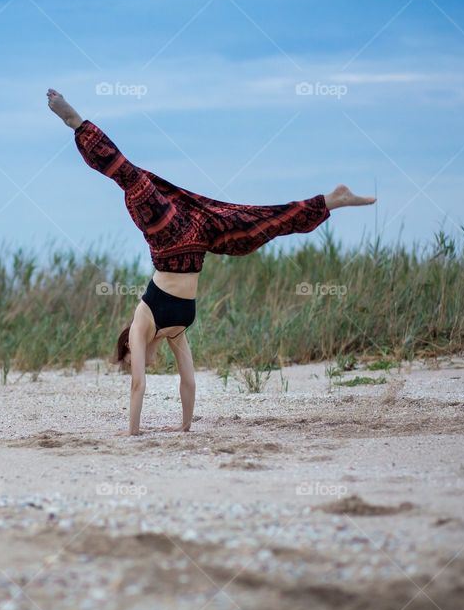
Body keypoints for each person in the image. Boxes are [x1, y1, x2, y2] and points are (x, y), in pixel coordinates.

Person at [47, 88, 376, 435]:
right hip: (197, 238)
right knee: (253, 226)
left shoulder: (142, 326)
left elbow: (137, 386)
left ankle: (75, 121)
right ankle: (330, 200)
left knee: (131, 179)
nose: (134, 365)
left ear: (129, 348)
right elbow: (188, 382)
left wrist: (132, 432)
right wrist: (185, 428)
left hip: (169, 238)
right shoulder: (175, 332)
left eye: (128, 361)